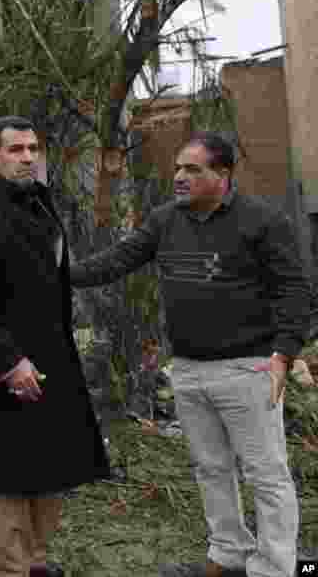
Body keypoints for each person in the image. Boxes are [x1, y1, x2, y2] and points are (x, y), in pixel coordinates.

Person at [69, 132, 308, 577]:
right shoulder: (165, 221)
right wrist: (60, 273)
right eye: (178, 167)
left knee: (266, 475)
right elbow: (117, 260)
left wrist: (285, 353)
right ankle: (228, 551)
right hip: (188, 370)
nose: (179, 176)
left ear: (223, 174)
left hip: (247, 368)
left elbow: (294, 289)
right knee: (211, 469)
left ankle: (274, 567)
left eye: (193, 169)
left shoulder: (262, 221)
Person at [0, 115, 110, 577]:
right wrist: (9, 362)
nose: (28, 158)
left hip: (50, 354)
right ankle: (7, 570)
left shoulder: (37, 201)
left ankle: (34, 562)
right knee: (9, 477)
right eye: (16, 150)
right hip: (6, 365)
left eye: (34, 148)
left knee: (49, 466)